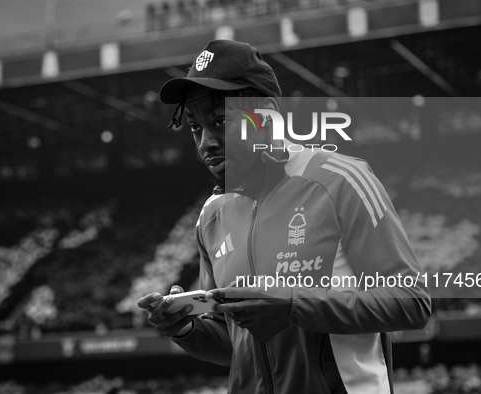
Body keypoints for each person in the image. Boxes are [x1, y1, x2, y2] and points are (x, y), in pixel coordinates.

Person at [137, 39, 431, 394]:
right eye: (196, 127)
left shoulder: (340, 179)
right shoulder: (211, 217)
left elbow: (411, 300)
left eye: (220, 121)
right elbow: (233, 345)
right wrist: (184, 328)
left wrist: (294, 305)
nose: (206, 143)